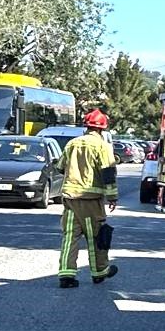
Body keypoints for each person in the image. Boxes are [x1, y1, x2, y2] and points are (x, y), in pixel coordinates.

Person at [58, 110, 119, 289]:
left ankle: (66, 275)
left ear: (86, 126)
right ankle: (99, 272)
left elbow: (61, 166)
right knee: (96, 237)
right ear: (102, 128)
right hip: (91, 200)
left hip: (70, 198)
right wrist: (112, 196)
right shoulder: (102, 146)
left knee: (70, 236)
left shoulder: (72, 144)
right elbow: (108, 173)